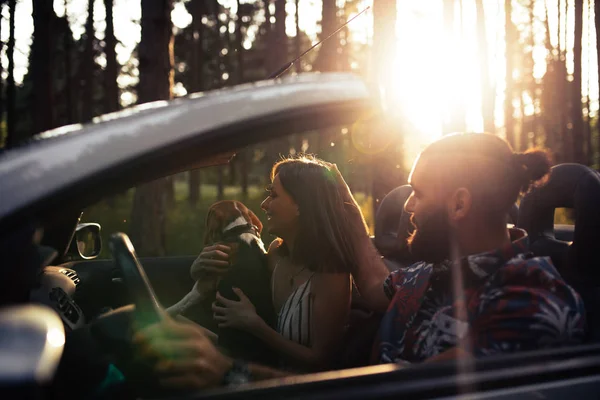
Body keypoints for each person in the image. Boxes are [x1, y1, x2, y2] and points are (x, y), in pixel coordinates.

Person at [133, 133, 586, 389]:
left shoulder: (527, 300)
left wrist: (229, 373)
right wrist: (345, 209)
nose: (407, 207)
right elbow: (374, 287)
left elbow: (396, 395)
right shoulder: (432, 272)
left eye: (419, 194)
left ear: (460, 204)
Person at [191, 156, 368, 372]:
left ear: (302, 205)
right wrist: (198, 269)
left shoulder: (331, 274)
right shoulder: (275, 253)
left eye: (273, 195)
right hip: (262, 368)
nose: (264, 205)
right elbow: (237, 284)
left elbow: (319, 360)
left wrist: (255, 325)